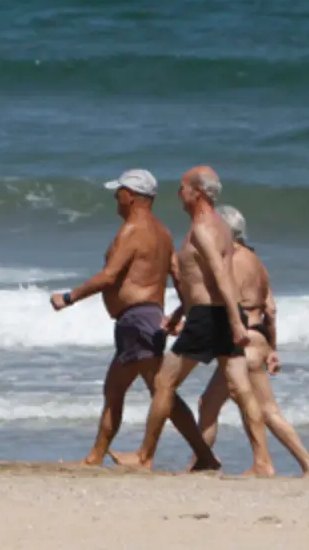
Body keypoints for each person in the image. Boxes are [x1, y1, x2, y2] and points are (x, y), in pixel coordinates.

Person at [110, 166, 275, 476]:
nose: (178, 193)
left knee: (163, 382)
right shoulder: (221, 228)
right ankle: (263, 462)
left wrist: (234, 323)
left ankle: (145, 456)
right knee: (241, 388)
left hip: (209, 317)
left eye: (183, 188)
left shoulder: (202, 229)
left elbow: (221, 276)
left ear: (196, 193)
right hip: (219, 313)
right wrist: (180, 313)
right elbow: (202, 279)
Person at [51, 168, 219, 470]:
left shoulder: (132, 230)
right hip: (144, 319)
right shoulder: (163, 232)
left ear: (131, 196)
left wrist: (68, 297)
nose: (115, 198)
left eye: (118, 193)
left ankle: (197, 456)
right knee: (118, 388)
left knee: (160, 390)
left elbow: (109, 275)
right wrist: (182, 312)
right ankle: (95, 456)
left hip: (137, 320)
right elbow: (178, 278)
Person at [194, 205, 309, 478]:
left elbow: (221, 302)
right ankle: (308, 464)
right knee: (248, 407)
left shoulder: (227, 261)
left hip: (240, 342)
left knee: (227, 405)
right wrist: (272, 349)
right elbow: (271, 308)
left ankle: (208, 463)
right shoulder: (256, 261)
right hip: (260, 338)